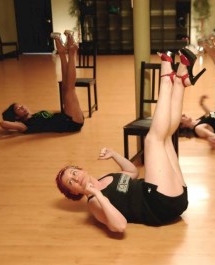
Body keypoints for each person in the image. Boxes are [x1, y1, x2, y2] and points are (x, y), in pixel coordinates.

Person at [55, 48, 206, 232]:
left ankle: (181, 79)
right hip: (159, 204)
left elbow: (132, 172)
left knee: (165, 137)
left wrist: (114, 154)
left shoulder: (106, 178)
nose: (75, 177)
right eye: (70, 182)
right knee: (152, 140)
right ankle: (167, 78)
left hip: (173, 197)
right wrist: (96, 194)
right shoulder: (94, 203)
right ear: (74, 193)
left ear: (80, 169)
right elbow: (119, 226)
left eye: (72, 172)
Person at [0, 30, 84, 134]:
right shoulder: (26, 126)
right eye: (18, 109)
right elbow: (3, 124)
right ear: (17, 117)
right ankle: (72, 52)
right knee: (70, 90)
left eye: (20, 105)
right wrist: (15, 121)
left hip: (68, 115)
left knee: (65, 88)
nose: (22, 107)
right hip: (72, 123)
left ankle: (62, 53)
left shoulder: (34, 116)